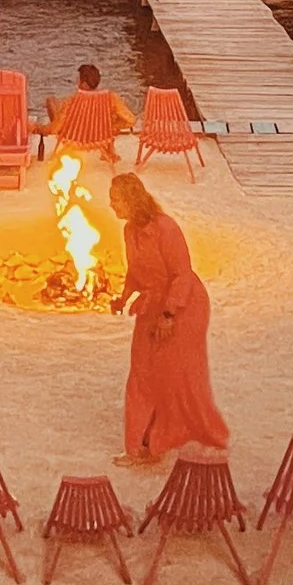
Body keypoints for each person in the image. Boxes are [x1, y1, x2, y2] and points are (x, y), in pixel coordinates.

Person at [107, 172, 228, 464]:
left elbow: (182, 275)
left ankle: (160, 442)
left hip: (185, 307)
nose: (111, 206)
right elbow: (136, 271)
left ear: (132, 200)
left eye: (116, 200)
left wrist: (169, 313)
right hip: (154, 303)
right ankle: (140, 445)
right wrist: (124, 296)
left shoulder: (166, 229)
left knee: (171, 372)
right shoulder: (130, 231)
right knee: (142, 370)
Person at [50, 61, 136, 159]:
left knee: (51, 102)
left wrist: (38, 128)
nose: (76, 81)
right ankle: (109, 152)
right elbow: (131, 120)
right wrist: (112, 126)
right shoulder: (110, 98)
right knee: (111, 117)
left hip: (74, 137)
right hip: (99, 136)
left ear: (84, 84)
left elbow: (55, 127)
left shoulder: (73, 100)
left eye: (78, 79)